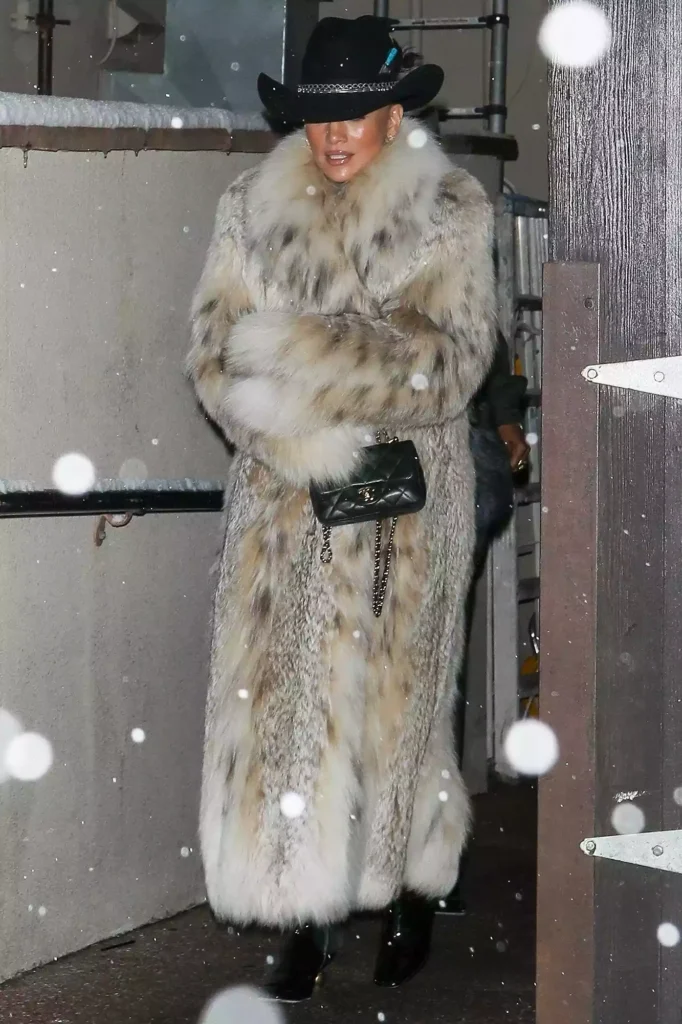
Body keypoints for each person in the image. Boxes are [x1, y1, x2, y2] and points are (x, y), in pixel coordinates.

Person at [186, 14, 495, 1002]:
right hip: (282, 506)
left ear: (391, 112)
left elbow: (448, 363)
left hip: (406, 504)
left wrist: (294, 352)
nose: (331, 133)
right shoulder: (247, 206)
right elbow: (210, 355)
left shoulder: (450, 210)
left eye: (352, 114)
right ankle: (300, 914)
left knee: (397, 707)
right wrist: (294, 435)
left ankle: (404, 888)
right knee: (284, 707)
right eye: (316, 115)